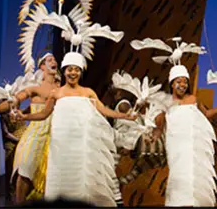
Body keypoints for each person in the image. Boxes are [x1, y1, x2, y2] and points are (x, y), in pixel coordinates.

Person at [16, 51, 137, 206]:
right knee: (62, 178)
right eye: (70, 69)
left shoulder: (88, 92)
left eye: (77, 69)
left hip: (81, 146)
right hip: (61, 146)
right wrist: (25, 117)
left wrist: (125, 116)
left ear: (80, 71)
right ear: (64, 70)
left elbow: (103, 110)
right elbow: (44, 114)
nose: (73, 73)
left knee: (82, 181)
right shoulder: (56, 93)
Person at [152, 63, 217, 207]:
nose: (183, 85)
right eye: (179, 81)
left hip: (192, 143)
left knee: (193, 175)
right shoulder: (166, 102)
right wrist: (155, 134)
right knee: (178, 174)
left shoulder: (193, 99)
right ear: (172, 83)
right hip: (176, 145)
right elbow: (159, 125)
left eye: (185, 82)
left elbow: (206, 114)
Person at [0, 53, 60, 204]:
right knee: (25, 170)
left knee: (50, 176)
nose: (54, 61)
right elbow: (15, 100)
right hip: (37, 132)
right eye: (49, 60)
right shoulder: (35, 86)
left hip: (56, 134)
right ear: (42, 66)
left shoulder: (61, 87)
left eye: (54, 59)